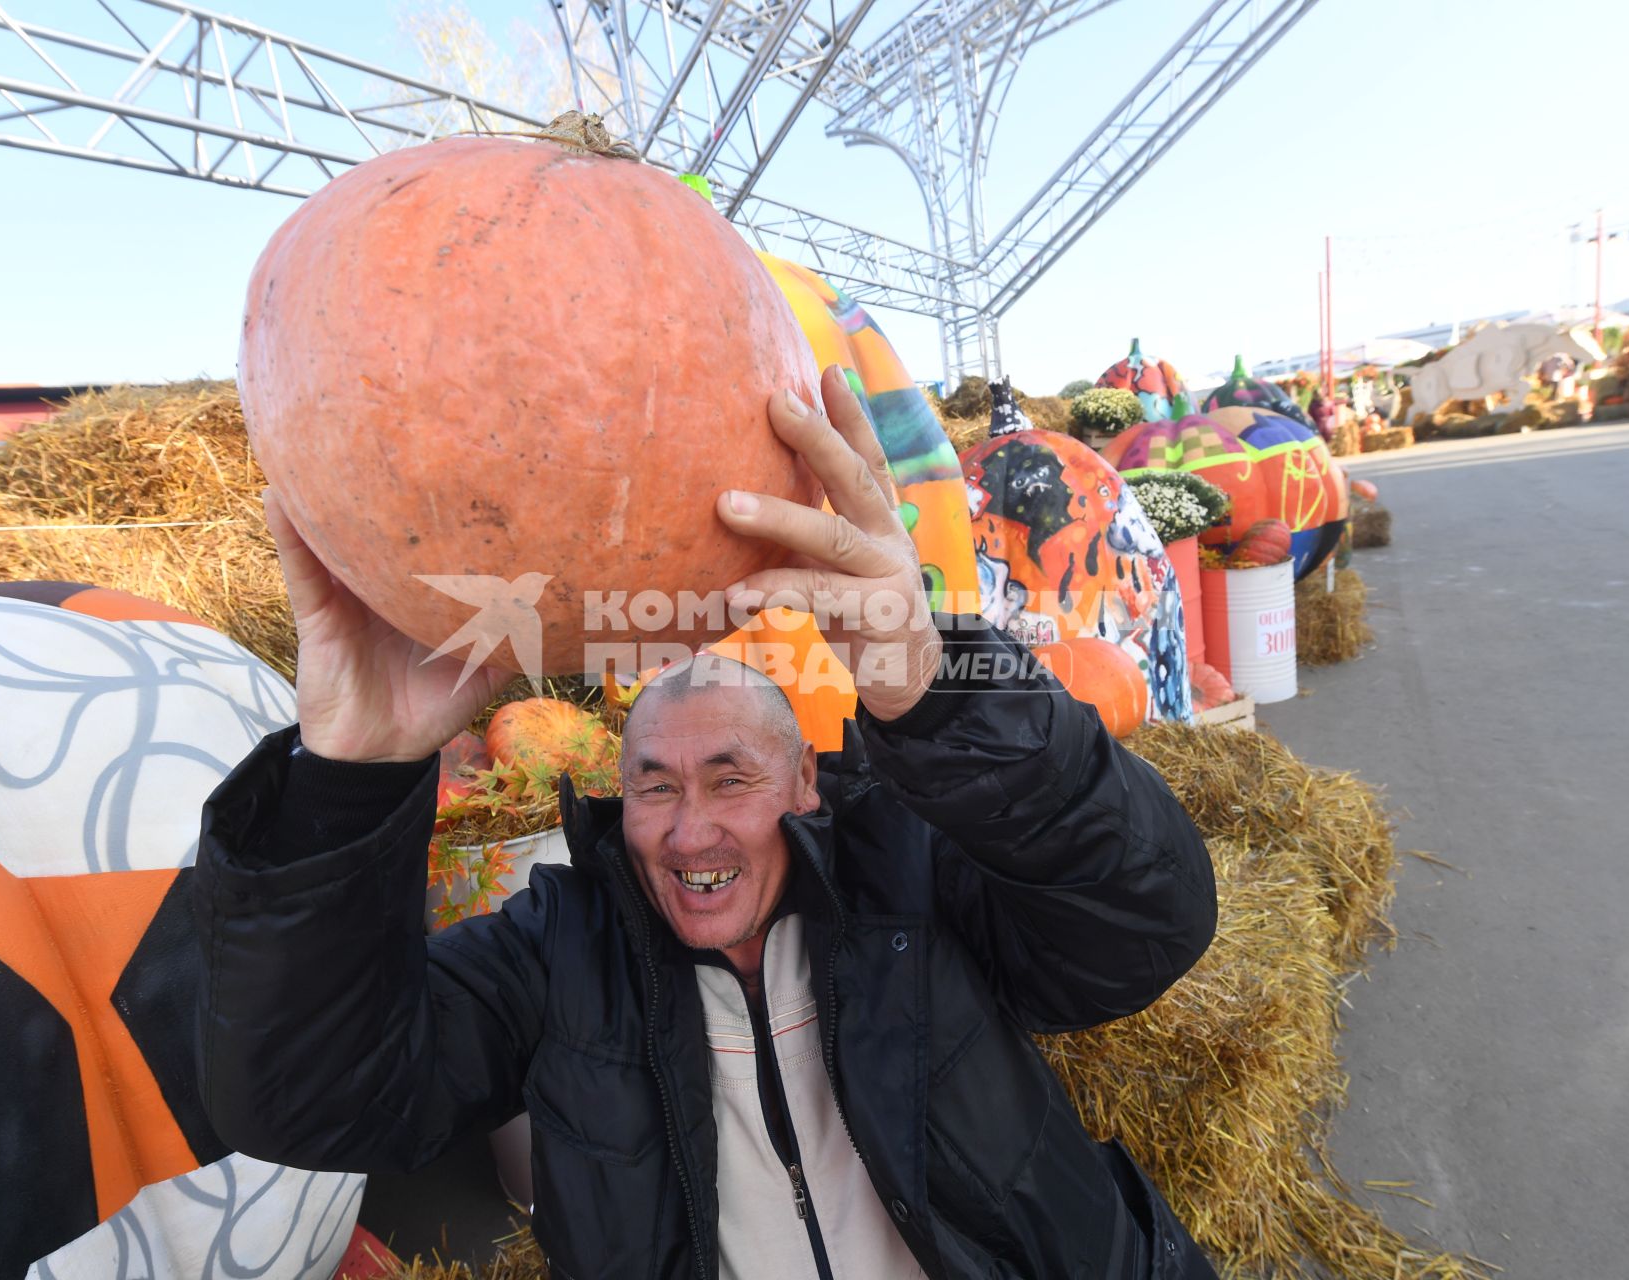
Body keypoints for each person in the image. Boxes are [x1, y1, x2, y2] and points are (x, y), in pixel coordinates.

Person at [193, 365, 1221, 1278]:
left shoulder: (916, 884)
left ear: (808, 784)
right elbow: (306, 1098)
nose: (689, 832)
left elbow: (1147, 918)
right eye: (654, 785)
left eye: (732, 778)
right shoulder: (556, 955)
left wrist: (937, 686)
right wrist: (347, 780)